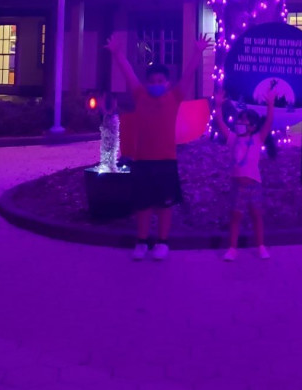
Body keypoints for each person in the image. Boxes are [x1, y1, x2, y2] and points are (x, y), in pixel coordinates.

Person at [106, 31, 212, 260]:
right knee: (143, 205)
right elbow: (129, 73)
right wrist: (117, 54)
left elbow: (188, 75)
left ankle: (162, 242)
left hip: (166, 160)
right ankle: (142, 241)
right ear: (147, 83)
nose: (156, 84)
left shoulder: (174, 96)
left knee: (165, 205)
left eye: (160, 81)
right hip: (142, 161)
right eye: (152, 81)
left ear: (167, 83)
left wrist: (197, 53)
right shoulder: (140, 96)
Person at [215, 86, 275, 261]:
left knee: (257, 215)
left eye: (244, 122)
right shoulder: (233, 138)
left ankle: (261, 246)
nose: (240, 124)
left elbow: (269, 122)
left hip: (254, 184)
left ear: (253, 126)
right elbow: (220, 123)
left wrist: (270, 104)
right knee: (235, 216)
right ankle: (232, 248)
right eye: (239, 121)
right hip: (237, 184)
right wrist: (218, 106)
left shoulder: (257, 139)